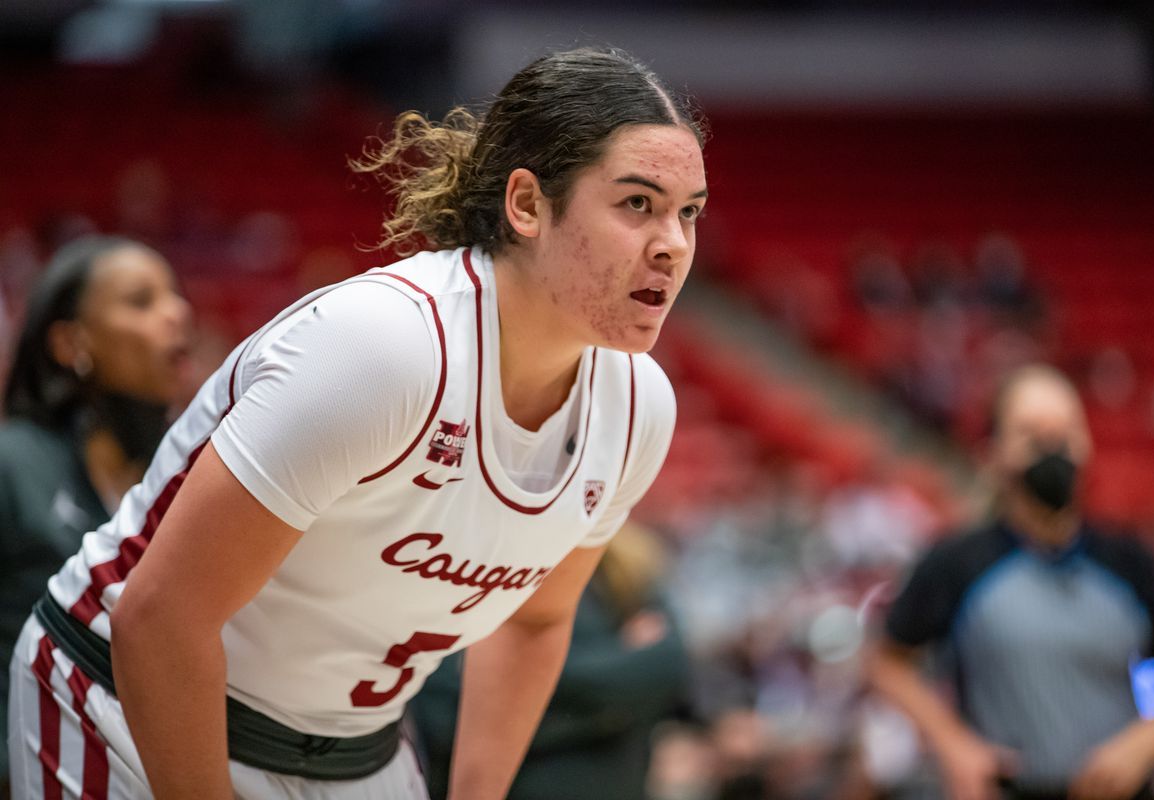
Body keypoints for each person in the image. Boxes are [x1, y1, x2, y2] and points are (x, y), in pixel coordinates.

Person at [7, 47, 707, 800]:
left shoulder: (638, 408)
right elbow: (161, 620)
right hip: (128, 711)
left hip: (357, 755)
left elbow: (536, 623)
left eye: (689, 211)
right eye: (637, 203)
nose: (672, 243)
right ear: (527, 204)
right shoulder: (385, 349)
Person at [867, 364, 1154, 800]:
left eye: (1065, 431)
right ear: (995, 451)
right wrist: (954, 745)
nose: (1052, 448)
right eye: (1031, 434)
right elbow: (888, 662)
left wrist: (1143, 745)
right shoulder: (958, 562)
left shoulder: (1129, 561)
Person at [0, 236, 191, 795]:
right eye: (141, 300)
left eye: (174, 295)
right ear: (69, 341)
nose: (177, 312)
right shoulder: (14, 462)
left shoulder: (180, 476)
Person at [410, 521, 688, 800]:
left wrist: (512, 698)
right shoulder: (466, 561)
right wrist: (616, 684)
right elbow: (441, 709)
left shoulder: (626, 562)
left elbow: (666, 664)